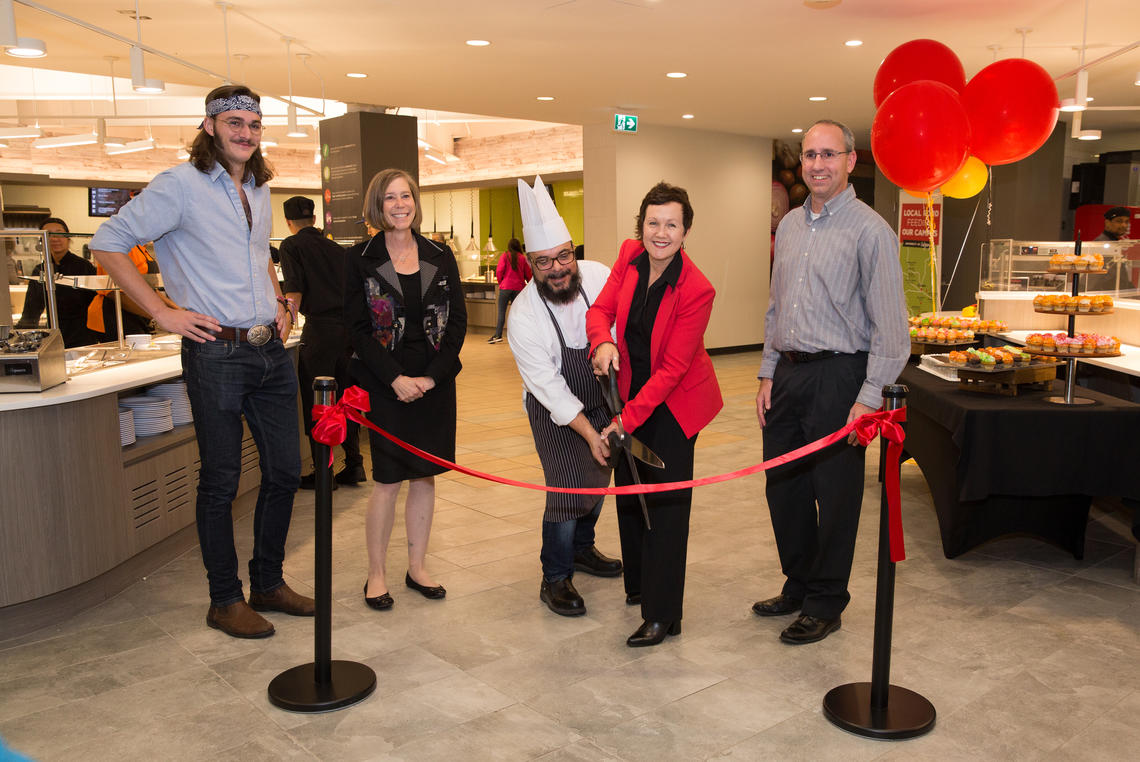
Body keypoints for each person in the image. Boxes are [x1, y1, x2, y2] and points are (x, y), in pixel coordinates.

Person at [91, 84, 314, 639]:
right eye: (234, 122)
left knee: (287, 470)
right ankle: (224, 599)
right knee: (220, 479)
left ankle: (267, 582)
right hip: (215, 352)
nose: (245, 133)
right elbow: (108, 243)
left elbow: (256, 252)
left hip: (269, 349)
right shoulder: (179, 186)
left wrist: (280, 300)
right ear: (210, 126)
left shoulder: (259, 187)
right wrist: (162, 311)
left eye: (254, 125)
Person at [753, 119, 908, 645]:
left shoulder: (871, 233)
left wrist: (867, 400)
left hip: (842, 376)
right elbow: (776, 305)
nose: (817, 164)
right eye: (809, 155)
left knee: (835, 495)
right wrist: (768, 372)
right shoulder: (791, 226)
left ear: (850, 160)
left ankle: (825, 601)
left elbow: (892, 332)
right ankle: (798, 584)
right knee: (785, 487)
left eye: (828, 154)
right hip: (790, 373)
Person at [587, 181, 723, 647]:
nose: (660, 233)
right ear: (640, 226)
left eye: (672, 224)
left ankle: (664, 614)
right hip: (629, 395)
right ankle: (641, 586)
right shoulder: (628, 256)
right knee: (630, 489)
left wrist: (626, 421)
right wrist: (602, 340)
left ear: (685, 231)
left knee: (665, 508)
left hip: (674, 407)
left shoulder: (696, 289)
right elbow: (600, 310)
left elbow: (671, 371)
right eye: (653, 223)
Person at [344, 168, 466, 611]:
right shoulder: (360, 258)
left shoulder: (440, 253)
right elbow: (357, 331)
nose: (400, 205)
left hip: (435, 380)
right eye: (390, 198)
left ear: (416, 202)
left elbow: (457, 324)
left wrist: (433, 376)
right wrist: (394, 378)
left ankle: (417, 566)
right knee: (388, 480)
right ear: (378, 206)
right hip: (385, 382)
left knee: (425, 475)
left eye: (406, 196)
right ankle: (376, 574)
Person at [508, 176, 622, 618]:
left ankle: (582, 548)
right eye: (543, 263)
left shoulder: (598, 276)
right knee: (567, 486)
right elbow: (550, 388)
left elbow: (620, 330)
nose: (557, 269)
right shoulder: (524, 314)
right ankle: (554, 576)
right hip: (552, 408)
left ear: (574, 250)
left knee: (600, 475)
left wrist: (614, 417)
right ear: (531, 267)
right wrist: (588, 432)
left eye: (563, 256)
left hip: (602, 395)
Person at [278, 195, 365, 490]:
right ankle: (354, 464)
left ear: (288, 223)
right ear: (314, 219)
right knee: (346, 399)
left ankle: (324, 472)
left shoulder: (291, 246)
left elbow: (294, 292)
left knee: (319, 403)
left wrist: (285, 327)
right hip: (348, 333)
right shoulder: (335, 248)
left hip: (320, 332)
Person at [17, 217, 97, 347]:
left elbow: (96, 302)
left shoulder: (84, 266)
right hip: (54, 336)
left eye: (59, 233)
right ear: (42, 240)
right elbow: (32, 309)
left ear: (68, 237)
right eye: (48, 235)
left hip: (84, 336)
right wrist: (21, 337)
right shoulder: (40, 270)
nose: (55, 238)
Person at [86, 243, 179, 343]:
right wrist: (157, 317)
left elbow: (150, 288)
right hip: (116, 314)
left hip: (141, 313)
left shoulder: (141, 248)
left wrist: (177, 310)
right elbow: (116, 293)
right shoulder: (119, 248)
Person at [489, 237, 531, 344]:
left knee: (501, 312)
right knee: (516, 313)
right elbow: (528, 275)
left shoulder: (504, 256)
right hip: (518, 288)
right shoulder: (522, 258)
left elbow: (499, 271)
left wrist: (501, 282)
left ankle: (498, 335)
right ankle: (517, 336)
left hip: (505, 287)